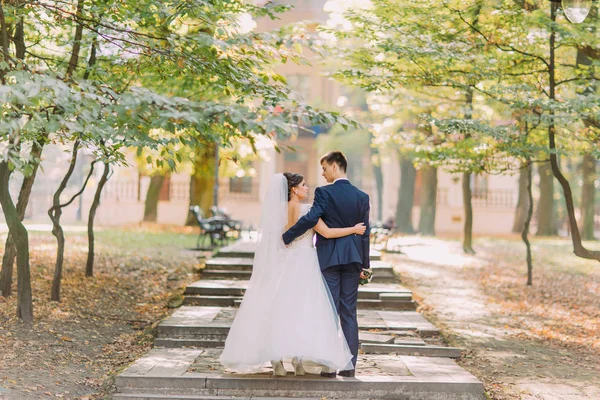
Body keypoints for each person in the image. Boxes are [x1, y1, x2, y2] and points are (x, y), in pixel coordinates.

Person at [219, 172, 365, 376]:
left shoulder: (278, 210)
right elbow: (326, 233)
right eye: (304, 185)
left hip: (287, 262)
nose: (307, 188)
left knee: (282, 309)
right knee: (303, 311)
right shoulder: (306, 210)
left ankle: (279, 361)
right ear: (294, 189)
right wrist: (354, 229)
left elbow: (283, 237)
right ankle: (297, 360)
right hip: (304, 261)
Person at [282, 151, 370, 378]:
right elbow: (365, 233)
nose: (322, 174)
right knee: (349, 312)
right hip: (353, 259)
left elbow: (312, 218)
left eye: (324, 168)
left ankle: (330, 365)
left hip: (329, 258)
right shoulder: (362, 196)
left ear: (334, 166)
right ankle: (349, 367)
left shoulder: (324, 192)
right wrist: (365, 265)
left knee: (329, 310)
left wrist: (288, 236)